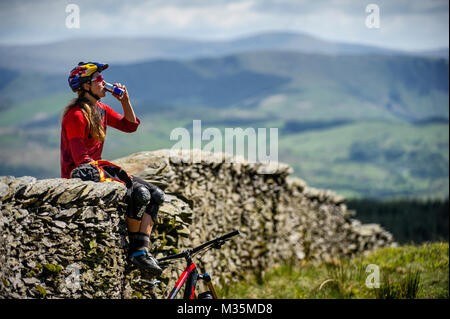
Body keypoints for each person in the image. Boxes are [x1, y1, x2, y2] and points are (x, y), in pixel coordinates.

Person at [61, 62, 164, 276]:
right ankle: (136, 252)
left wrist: (125, 100)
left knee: (156, 195)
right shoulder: (76, 115)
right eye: (98, 79)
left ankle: (141, 249)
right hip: (84, 172)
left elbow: (130, 125)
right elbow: (82, 159)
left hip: (98, 168)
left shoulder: (101, 109)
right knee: (141, 194)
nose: (103, 82)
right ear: (86, 86)